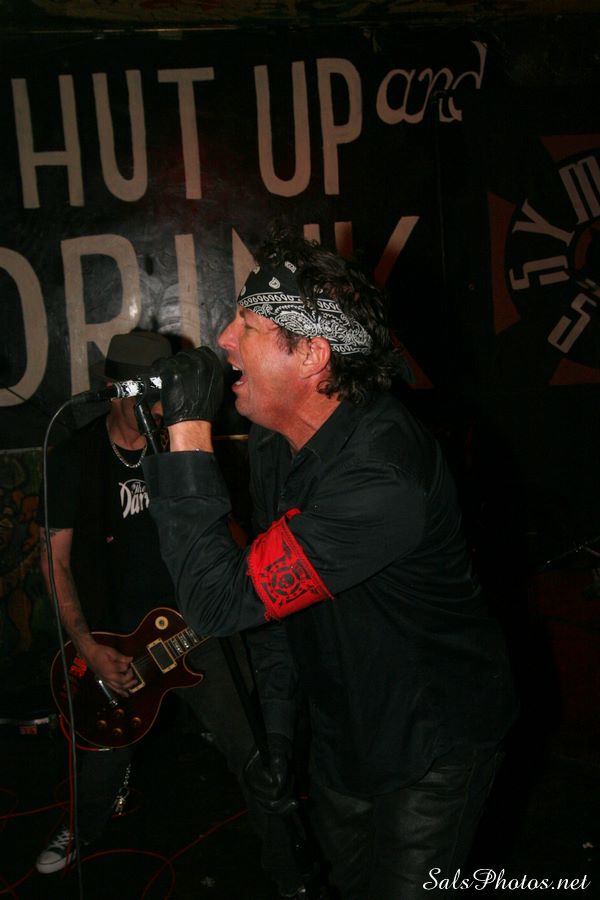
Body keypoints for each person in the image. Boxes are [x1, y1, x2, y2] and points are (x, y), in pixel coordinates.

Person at [143, 227, 517, 900]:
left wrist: (188, 434)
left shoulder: (382, 479)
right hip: (345, 732)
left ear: (313, 354)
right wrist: (278, 733)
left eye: (247, 325)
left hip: (430, 745)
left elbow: (219, 602)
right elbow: (275, 606)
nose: (223, 340)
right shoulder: (274, 441)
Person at [35, 330, 304, 898]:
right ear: (116, 389)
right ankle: (84, 827)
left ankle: (290, 868)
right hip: (117, 643)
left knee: (254, 752)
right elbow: (54, 562)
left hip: (197, 630)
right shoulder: (73, 459)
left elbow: (227, 532)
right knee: (101, 757)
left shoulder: (183, 445)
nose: (159, 407)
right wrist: (86, 646)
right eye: (148, 394)